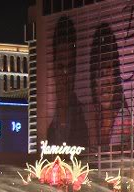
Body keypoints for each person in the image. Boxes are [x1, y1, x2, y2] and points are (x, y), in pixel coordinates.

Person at [89, 23, 132, 150]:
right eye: (100, 73)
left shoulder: (124, 118)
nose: (104, 79)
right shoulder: (89, 119)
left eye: (108, 71)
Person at [47, 16, 89, 147]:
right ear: (53, 68)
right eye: (60, 67)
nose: (65, 75)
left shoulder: (86, 117)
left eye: (69, 67)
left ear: (75, 70)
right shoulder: (48, 125)